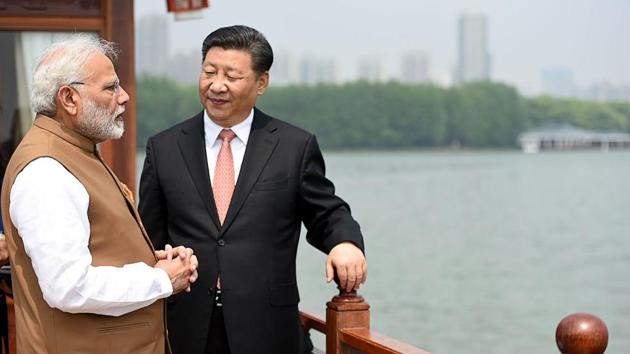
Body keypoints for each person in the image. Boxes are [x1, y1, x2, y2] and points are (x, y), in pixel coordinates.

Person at [139, 25, 367, 354]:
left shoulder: (293, 146)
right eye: (209, 72)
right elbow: (148, 237)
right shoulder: (164, 148)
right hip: (186, 328)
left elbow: (326, 212)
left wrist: (345, 243)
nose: (217, 85)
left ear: (262, 83)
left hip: (269, 330)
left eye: (232, 76)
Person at [0, 35, 199, 353]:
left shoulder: (75, 150)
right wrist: (161, 280)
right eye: (111, 88)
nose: (125, 97)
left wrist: (153, 263)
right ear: (69, 98)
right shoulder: (46, 170)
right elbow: (69, 287)